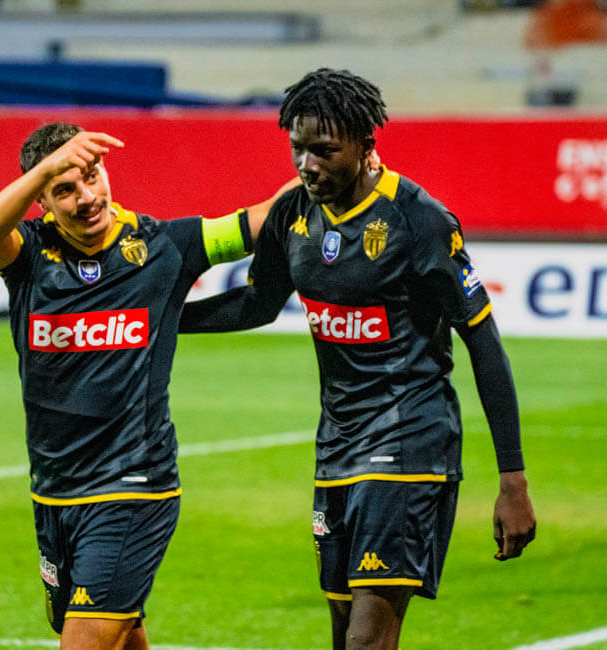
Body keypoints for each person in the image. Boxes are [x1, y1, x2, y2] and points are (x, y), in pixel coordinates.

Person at [178, 68, 537, 650]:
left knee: (367, 640)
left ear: (367, 146)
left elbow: (483, 341)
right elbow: (257, 304)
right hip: (337, 445)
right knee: (345, 633)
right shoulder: (293, 214)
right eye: (298, 148)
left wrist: (512, 479)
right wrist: (163, 322)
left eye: (324, 150)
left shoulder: (418, 220)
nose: (307, 164)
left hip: (409, 440)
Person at [0, 122, 293, 650]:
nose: (86, 197)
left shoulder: (165, 245)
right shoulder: (28, 255)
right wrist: (45, 169)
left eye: (92, 177)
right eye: (64, 189)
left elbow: (263, 219)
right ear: (41, 201)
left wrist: (333, 172)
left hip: (133, 487)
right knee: (119, 635)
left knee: (84, 640)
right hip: (54, 490)